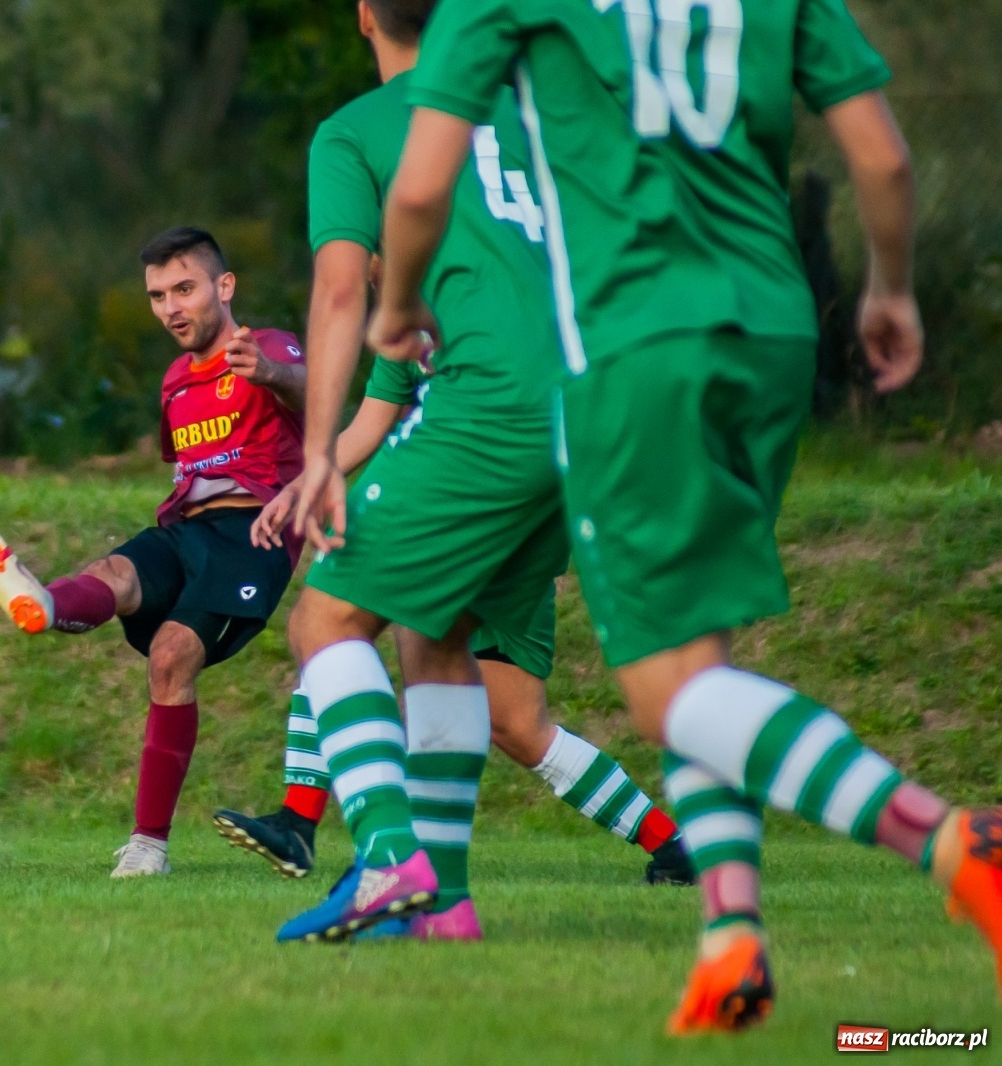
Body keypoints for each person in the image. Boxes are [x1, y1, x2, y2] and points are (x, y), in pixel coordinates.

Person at [370, 0, 1002, 1032]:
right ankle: (729, 943)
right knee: (696, 654)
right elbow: (880, 159)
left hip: (635, 348)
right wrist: (890, 287)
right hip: (771, 333)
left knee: (669, 695)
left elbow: (422, 182)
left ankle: (950, 840)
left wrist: (398, 302)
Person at [246, 0, 655, 943]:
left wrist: (315, 454)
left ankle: (391, 860)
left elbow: (343, 289)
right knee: (435, 637)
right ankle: (449, 906)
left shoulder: (357, 132)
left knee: (324, 619)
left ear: (362, 16)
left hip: (496, 404)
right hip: (602, 405)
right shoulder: (534, 102)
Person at [215, 348, 691, 891]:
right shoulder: (404, 328)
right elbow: (373, 419)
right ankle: (674, 846)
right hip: (493, 518)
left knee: (331, 615)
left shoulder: (492, 298)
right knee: (518, 725)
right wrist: (303, 483)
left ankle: (324, 833)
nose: (376, 268)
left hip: (486, 512)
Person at [0, 226, 307, 878]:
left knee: (171, 657)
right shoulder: (176, 380)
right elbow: (186, 468)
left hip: (254, 533)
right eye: (157, 295)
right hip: (186, 527)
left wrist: (275, 375)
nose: (171, 307)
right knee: (112, 572)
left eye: (184, 288)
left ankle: (148, 848)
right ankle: (40, 602)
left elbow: (317, 389)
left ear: (223, 287)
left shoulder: (264, 347)